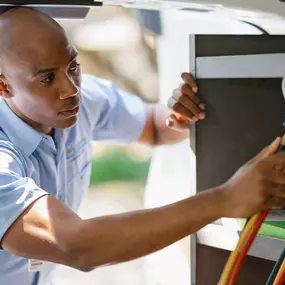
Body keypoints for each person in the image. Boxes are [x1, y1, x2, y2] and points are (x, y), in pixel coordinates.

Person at [0, 7, 285, 285]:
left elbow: (152, 126)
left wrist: (178, 117)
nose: (72, 89)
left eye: (73, 66)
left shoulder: (84, 100)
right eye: (47, 78)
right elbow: (77, 245)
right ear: (4, 87)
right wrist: (225, 199)